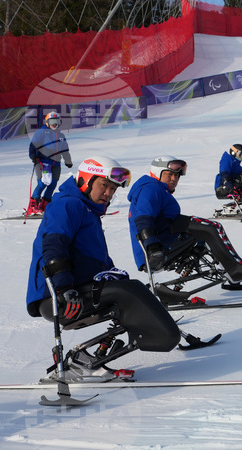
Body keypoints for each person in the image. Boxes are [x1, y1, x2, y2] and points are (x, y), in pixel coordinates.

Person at [26, 156, 180, 380]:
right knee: (129, 291)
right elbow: (54, 246)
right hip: (57, 296)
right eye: (104, 185)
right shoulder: (68, 204)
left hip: (75, 288)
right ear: (86, 180)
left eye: (113, 189)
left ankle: (89, 358)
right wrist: (63, 288)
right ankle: (161, 335)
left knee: (128, 289)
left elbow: (93, 260)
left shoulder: (87, 211)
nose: (108, 193)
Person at [129, 155, 242, 302]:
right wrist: (153, 247)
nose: (174, 179)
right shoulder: (151, 189)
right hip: (156, 250)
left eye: (177, 176)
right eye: (169, 175)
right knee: (211, 228)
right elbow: (143, 219)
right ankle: (236, 270)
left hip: (165, 240)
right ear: (157, 173)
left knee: (206, 237)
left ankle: (232, 275)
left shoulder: (156, 189)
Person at [27, 111, 73, 215]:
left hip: (56, 163)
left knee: (53, 184)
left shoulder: (61, 135)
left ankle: (45, 205)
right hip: (43, 162)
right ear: (47, 122)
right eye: (52, 121)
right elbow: (33, 145)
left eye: (57, 121)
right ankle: (33, 206)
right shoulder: (41, 132)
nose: (54, 124)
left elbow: (65, 150)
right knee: (43, 182)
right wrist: (33, 156)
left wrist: (68, 161)